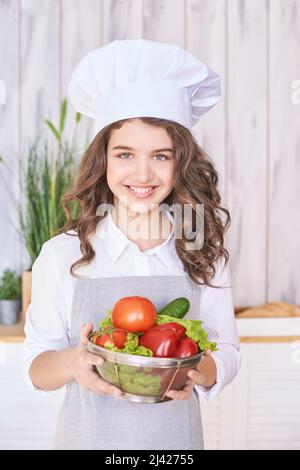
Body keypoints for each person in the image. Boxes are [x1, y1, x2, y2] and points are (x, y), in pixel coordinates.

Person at [23, 38, 241, 450]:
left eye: (161, 156)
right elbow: (37, 369)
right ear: (102, 159)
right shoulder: (64, 254)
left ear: (181, 163)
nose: (142, 174)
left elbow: (227, 350)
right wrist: (73, 362)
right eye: (125, 154)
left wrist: (200, 371)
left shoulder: (201, 249)